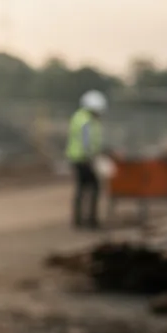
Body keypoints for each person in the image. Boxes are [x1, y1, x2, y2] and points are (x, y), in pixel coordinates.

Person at [67, 90, 106, 229]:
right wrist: (92, 158)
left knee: (81, 188)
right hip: (85, 159)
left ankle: (78, 219)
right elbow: (87, 142)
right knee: (94, 187)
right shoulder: (87, 121)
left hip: (76, 158)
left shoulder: (78, 117)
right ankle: (90, 220)